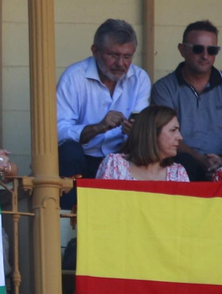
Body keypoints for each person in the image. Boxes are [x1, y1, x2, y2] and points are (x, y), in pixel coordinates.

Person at [56, 18, 152, 182]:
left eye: (127, 56)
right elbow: (58, 132)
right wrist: (99, 127)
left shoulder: (140, 78)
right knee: (69, 151)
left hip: (122, 159)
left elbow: (143, 125)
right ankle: (68, 208)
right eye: (113, 55)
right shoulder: (73, 77)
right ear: (95, 51)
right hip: (83, 158)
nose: (120, 63)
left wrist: (135, 132)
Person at [148, 20, 222, 181]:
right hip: (181, 161)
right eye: (198, 49)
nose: (205, 56)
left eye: (212, 50)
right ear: (182, 49)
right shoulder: (164, 87)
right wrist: (200, 159)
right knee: (184, 163)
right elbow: (165, 136)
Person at [97, 105, 189, 183]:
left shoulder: (178, 172)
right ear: (151, 133)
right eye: (173, 130)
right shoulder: (114, 164)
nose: (180, 137)